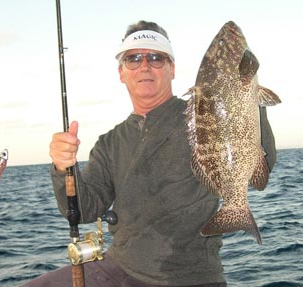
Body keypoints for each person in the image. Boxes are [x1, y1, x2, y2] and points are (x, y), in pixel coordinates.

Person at [22, 20, 276, 287]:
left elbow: (264, 162)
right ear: (121, 72)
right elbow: (84, 210)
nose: (145, 65)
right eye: (133, 59)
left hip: (189, 278)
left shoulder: (201, 113)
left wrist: (249, 100)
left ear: (172, 69)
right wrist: (64, 169)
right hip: (117, 266)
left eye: (156, 58)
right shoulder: (109, 143)